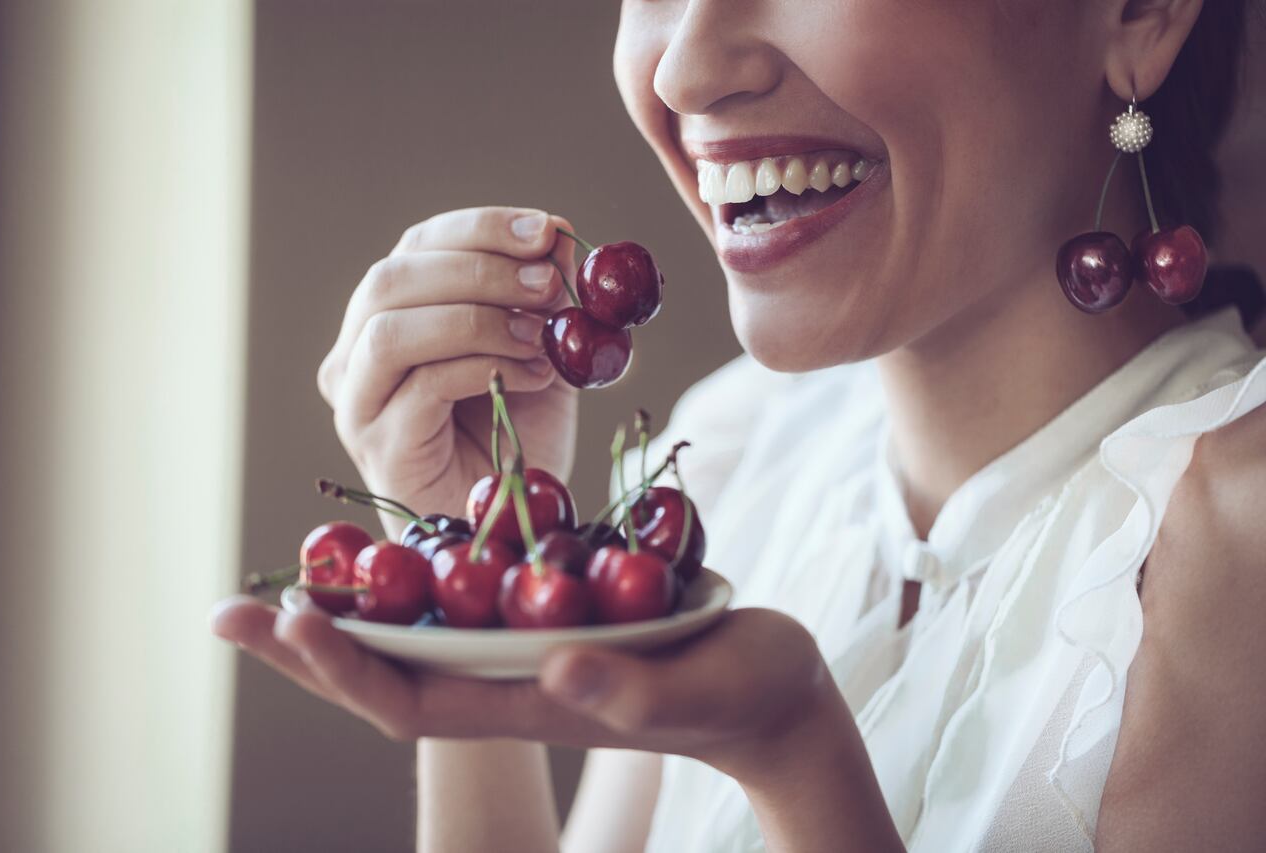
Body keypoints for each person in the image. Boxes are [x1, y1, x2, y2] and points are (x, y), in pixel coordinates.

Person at [212, 2, 1266, 849]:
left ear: (1139, 14)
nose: (684, 68)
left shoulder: (1242, 545)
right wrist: (474, 566)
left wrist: (794, 756)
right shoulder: (731, 454)